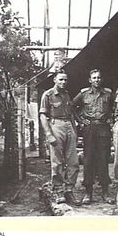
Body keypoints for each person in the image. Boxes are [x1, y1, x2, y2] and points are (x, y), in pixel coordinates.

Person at [73, 69, 115, 204]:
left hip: (103, 128)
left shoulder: (108, 94)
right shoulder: (84, 94)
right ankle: (88, 192)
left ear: (101, 80)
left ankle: (105, 192)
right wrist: (80, 120)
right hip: (89, 129)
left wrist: (111, 119)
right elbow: (72, 106)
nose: (97, 80)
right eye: (94, 78)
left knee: (103, 158)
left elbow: (115, 108)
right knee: (89, 159)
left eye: (99, 78)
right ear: (90, 80)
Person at [39, 70, 81, 206]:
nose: (63, 82)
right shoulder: (48, 95)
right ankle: (58, 191)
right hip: (55, 125)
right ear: (55, 80)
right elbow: (43, 116)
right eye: (60, 80)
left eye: (65, 80)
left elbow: (71, 114)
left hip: (68, 125)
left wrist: (74, 130)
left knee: (73, 161)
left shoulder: (67, 94)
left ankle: (69, 190)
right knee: (57, 161)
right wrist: (49, 134)